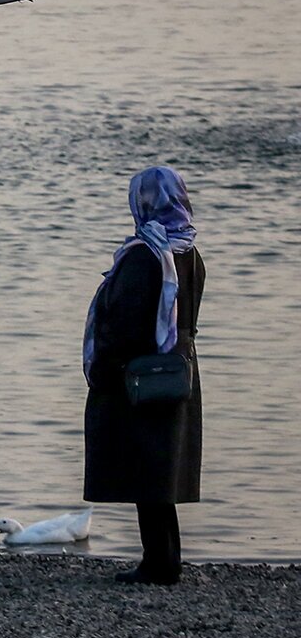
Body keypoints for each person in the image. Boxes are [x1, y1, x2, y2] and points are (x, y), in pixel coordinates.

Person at [83, 166, 204, 585]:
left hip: (141, 372)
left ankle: (158, 563)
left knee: (146, 467)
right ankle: (166, 557)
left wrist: (103, 368)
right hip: (179, 367)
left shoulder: (145, 254)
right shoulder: (189, 252)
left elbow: (124, 320)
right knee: (161, 467)